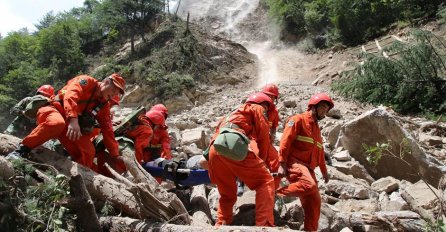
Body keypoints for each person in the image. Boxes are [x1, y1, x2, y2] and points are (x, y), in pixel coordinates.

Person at [8, 74, 125, 171]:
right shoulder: (86, 81)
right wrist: (73, 119)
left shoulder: (103, 106)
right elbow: (71, 96)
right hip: (54, 110)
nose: (113, 95)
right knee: (57, 123)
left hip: (69, 125)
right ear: (105, 82)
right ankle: (21, 150)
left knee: (89, 151)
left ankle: (76, 178)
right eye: (113, 90)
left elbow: (107, 130)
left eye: (116, 94)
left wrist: (115, 155)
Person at [208, 92, 275, 227]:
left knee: (227, 194)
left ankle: (221, 224)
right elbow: (263, 137)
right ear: (263, 104)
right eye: (267, 108)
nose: (266, 111)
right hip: (233, 145)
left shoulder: (229, 116)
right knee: (265, 181)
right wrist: (262, 162)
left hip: (215, 150)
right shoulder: (258, 108)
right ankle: (264, 226)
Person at [276, 93, 334, 231]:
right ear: (313, 106)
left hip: (308, 169)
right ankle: (275, 194)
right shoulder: (298, 120)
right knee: (309, 185)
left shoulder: (316, 130)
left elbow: (319, 154)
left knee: (315, 202)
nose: (325, 111)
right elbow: (285, 142)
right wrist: (281, 164)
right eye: (323, 107)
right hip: (294, 164)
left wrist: (325, 173)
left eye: (327, 109)